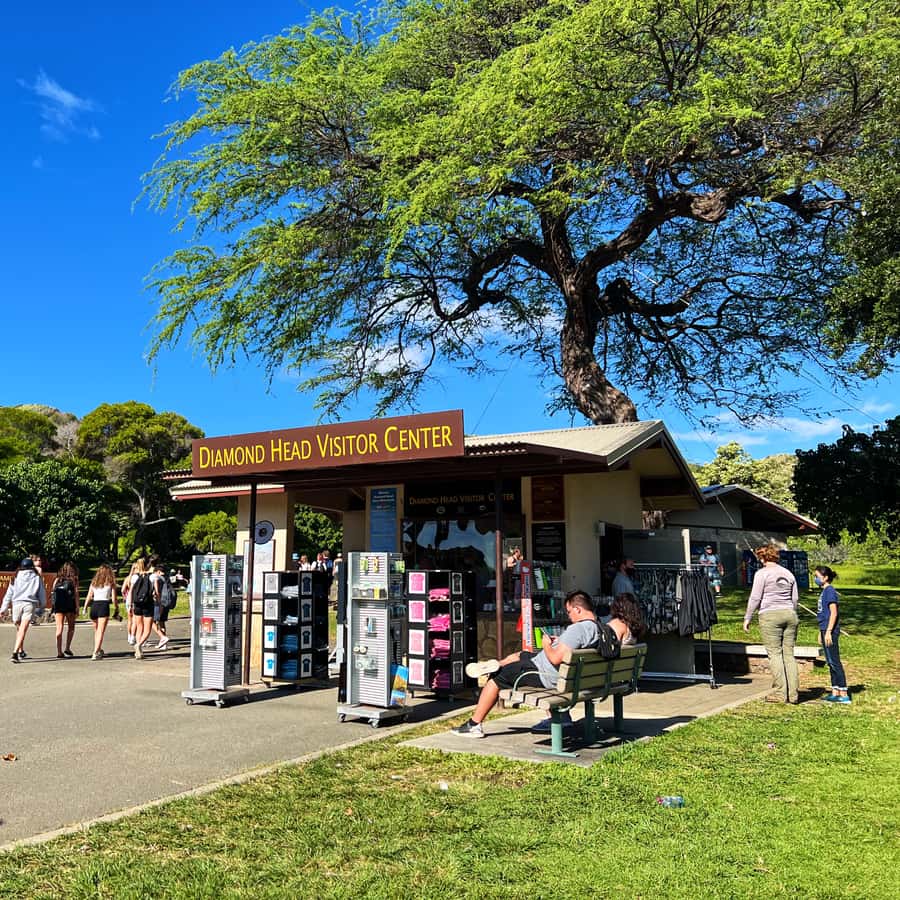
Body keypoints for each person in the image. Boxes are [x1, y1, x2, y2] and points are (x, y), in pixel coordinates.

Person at [453, 590, 605, 738]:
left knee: (497, 676)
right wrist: (558, 642)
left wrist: (546, 644)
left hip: (545, 674)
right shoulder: (600, 627)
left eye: (569, 612)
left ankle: (473, 725)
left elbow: (555, 659)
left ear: (577, 609)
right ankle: (497, 663)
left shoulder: (578, 629)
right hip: (568, 675)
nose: (569, 616)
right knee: (520, 655)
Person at [529, 592, 647, 733]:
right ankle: (563, 717)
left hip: (596, 680)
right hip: (612, 678)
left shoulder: (616, 626)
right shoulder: (633, 632)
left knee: (553, 672)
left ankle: (560, 719)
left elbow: (600, 643)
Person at [743, 545, 799, 704]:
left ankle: (781, 693)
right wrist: (790, 611)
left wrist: (748, 617)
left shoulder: (762, 574)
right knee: (789, 654)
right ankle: (793, 694)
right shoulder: (788, 574)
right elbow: (795, 599)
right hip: (790, 614)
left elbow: (755, 598)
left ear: (762, 558)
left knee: (775, 654)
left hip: (770, 615)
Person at [815, 566, 850, 704]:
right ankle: (835, 692)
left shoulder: (830, 591)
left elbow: (833, 613)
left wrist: (829, 631)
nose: (816, 579)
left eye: (817, 576)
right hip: (824, 629)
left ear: (825, 578)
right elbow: (824, 614)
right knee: (829, 662)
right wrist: (821, 631)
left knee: (835, 661)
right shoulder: (824, 592)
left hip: (831, 631)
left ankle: (844, 693)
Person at [1, 558, 46, 662]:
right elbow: (42, 594)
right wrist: (42, 607)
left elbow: (9, 594)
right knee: (22, 629)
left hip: (16, 604)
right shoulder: (36, 577)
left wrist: (3, 609)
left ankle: (19, 651)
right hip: (29, 604)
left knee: (19, 628)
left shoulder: (15, 577)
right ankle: (15, 653)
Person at [83, 564, 118, 660]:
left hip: (94, 606)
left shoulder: (94, 582)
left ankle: (98, 648)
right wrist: (116, 608)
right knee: (101, 631)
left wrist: (85, 607)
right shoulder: (111, 583)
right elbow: (114, 598)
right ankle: (95, 651)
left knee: (97, 630)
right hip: (103, 605)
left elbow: (89, 595)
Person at [128, 557, 155, 659]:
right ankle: (139, 645)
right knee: (147, 629)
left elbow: (131, 591)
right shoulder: (152, 577)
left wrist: (130, 604)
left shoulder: (134, 577)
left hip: (137, 604)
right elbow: (155, 592)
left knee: (139, 627)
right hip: (148, 604)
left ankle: (138, 651)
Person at [51, 561, 80, 658]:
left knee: (59, 628)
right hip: (69, 606)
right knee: (71, 628)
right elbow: (76, 594)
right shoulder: (74, 580)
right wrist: (77, 607)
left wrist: (53, 606)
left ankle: (59, 651)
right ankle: (67, 648)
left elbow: (52, 593)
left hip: (58, 606)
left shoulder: (57, 580)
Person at [149, 557, 171, 651]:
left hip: (158, 602)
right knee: (162, 622)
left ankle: (162, 637)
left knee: (152, 621)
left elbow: (157, 591)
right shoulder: (166, 578)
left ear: (157, 571)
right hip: (167, 601)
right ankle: (164, 643)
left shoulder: (156, 578)